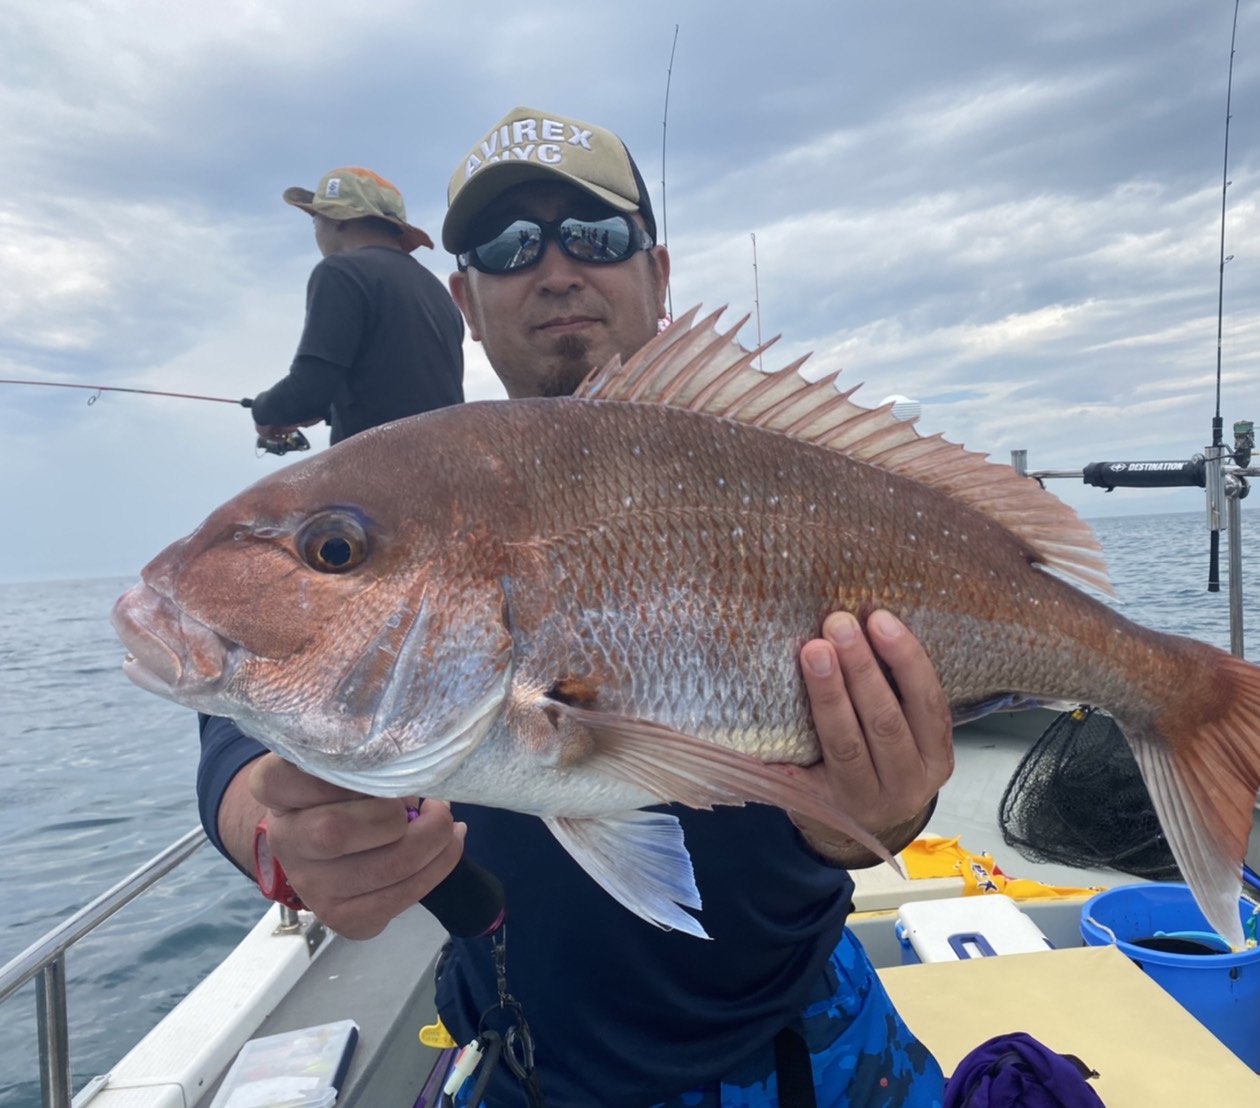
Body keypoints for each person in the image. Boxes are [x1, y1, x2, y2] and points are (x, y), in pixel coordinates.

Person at [197, 107, 953, 1107]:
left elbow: (876, 821)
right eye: (507, 244)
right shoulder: (431, 491)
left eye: (596, 233)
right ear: (465, 301)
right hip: (521, 1055)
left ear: (658, 273)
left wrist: (879, 816)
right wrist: (284, 835)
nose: (555, 268)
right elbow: (242, 725)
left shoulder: (790, 468)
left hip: (801, 1023)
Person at [247, 166, 465, 446]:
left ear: (337, 219)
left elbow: (307, 393)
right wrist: (330, 410)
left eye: (316, 220)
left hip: (378, 467)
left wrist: (262, 409)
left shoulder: (339, 272)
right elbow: (403, 388)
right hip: (446, 462)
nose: (316, 231)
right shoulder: (435, 290)